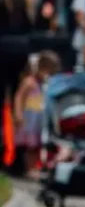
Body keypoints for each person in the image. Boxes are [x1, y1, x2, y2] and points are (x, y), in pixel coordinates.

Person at [13, 50, 60, 178]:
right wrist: (18, 114)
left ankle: (35, 167)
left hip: (39, 118)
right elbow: (19, 97)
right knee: (30, 146)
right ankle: (29, 168)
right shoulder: (29, 82)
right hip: (29, 118)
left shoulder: (42, 84)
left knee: (37, 145)